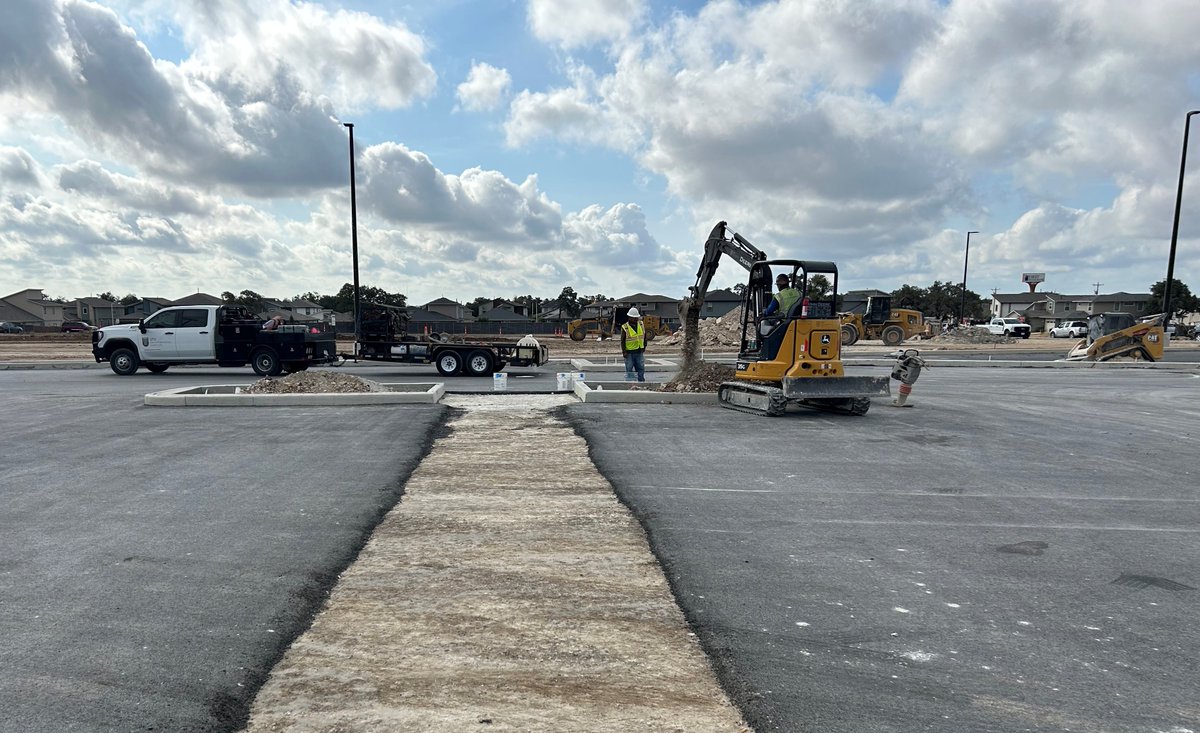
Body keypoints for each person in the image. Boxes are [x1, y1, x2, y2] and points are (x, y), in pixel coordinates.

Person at [621, 307, 646, 382]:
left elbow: (644, 336)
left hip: (639, 350)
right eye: (634, 318)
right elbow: (622, 340)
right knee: (629, 368)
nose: (636, 319)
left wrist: (644, 346)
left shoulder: (641, 324)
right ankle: (630, 384)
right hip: (629, 352)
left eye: (636, 318)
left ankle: (641, 382)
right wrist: (624, 352)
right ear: (630, 317)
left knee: (641, 367)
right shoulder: (625, 327)